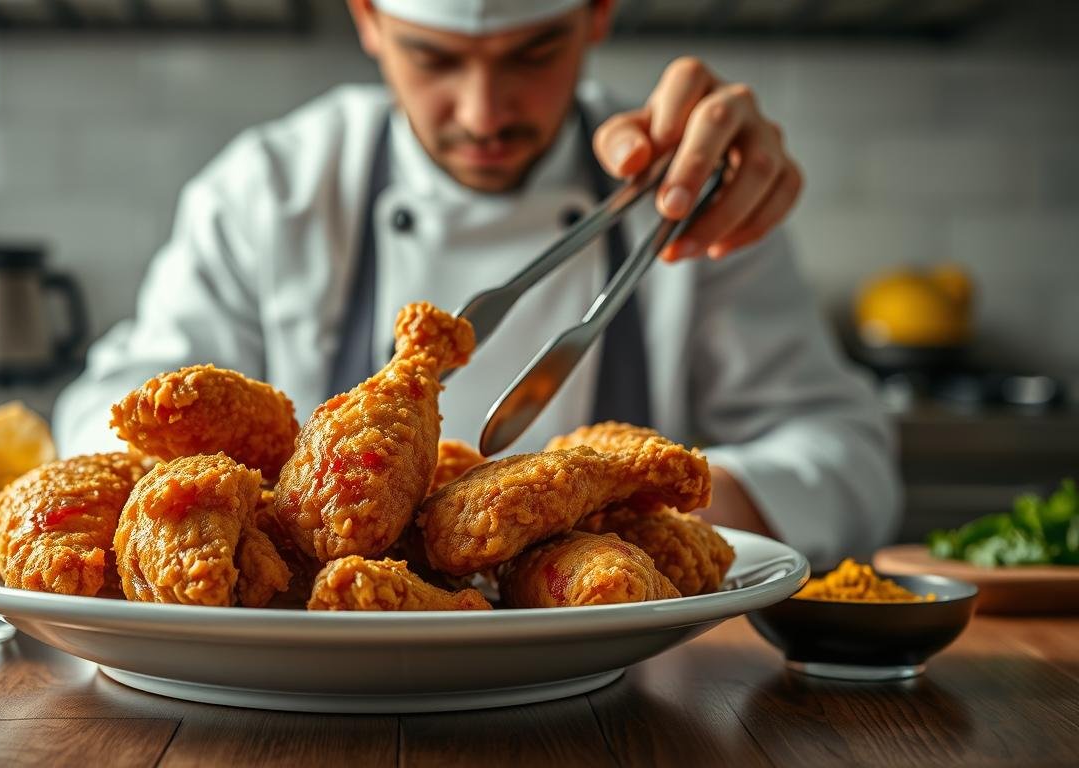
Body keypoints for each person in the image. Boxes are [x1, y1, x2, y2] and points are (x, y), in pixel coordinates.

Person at [54, 0, 899, 565]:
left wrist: (616, 512)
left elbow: (848, 461)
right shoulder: (271, 188)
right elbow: (110, 412)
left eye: (534, 53)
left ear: (597, 12)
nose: (484, 112)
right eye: (434, 58)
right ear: (369, 20)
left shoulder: (691, 185)